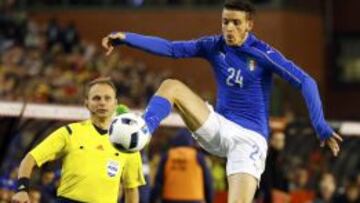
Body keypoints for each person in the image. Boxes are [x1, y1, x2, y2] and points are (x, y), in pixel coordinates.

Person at [102, 0, 342, 202]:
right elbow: (172, 48)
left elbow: (306, 81)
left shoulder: (262, 53)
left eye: (236, 22)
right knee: (171, 86)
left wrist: (320, 125)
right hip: (217, 126)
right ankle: (143, 130)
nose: (229, 28)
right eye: (225, 21)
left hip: (249, 139)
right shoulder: (213, 45)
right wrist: (127, 38)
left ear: (249, 24)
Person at [11, 77, 145, 203]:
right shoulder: (70, 132)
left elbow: (131, 189)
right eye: (96, 98)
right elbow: (29, 159)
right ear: (87, 103)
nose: (102, 102)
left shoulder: (127, 142)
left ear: (115, 104)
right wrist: (22, 189)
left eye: (107, 98)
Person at [150, 129, 213, 203]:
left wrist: (153, 199)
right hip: (194, 199)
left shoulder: (167, 156)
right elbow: (208, 182)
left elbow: (159, 182)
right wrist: (209, 200)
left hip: (170, 199)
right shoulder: (198, 157)